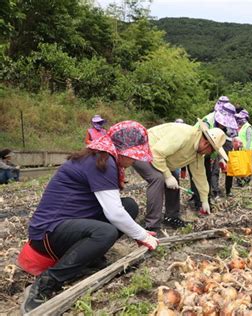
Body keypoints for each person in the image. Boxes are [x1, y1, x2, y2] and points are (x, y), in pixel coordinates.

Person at [19, 121, 158, 313]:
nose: (135, 162)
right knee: (106, 232)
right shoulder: (104, 162)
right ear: (123, 150)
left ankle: (89, 258)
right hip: (47, 233)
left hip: (66, 226)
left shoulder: (103, 157)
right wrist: (142, 236)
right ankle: (44, 285)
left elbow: (118, 208)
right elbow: (114, 213)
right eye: (134, 156)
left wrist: (140, 233)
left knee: (129, 206)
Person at [133, 121, 228, 231]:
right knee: (158, 178)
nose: (208, 154)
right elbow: (156, 153)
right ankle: (152, 225)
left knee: (174, 179)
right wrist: (167, 176)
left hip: (160, 158)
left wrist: (204, 199)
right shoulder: (184, 135)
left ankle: (171, 217)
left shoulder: (198, 153)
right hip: (142, 151)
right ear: (206, 144)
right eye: (211, 151)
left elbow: (200, 176)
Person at [192, 101, 238, 205]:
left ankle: (206, 199)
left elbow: (216, 143)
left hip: (206, 151)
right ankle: (198, 202)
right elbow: (202, 141)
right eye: (224, 123)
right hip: (195, 148)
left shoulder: (219, 125)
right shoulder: (209, 121)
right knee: (198, 174)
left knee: (208, 173)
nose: (225, 126)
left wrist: (220, 158)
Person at [235, 110, 252, 187]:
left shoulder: (248, 127)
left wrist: (246, 149)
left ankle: (246, 181)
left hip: (246, 150)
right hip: (241, 149)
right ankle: (241, 181)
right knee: (240, 166)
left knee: (246, 166)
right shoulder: (242, 126)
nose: (239, 120)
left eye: (241, 118)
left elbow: (249, 139)